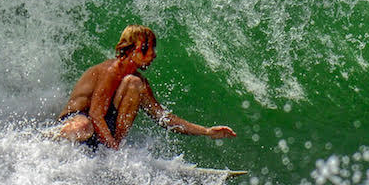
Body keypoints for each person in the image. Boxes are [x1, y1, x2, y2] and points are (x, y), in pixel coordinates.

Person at [57, 24, 237, 150]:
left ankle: (112, 150)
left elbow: (163, 117)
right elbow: (95, 116)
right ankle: (46, 141)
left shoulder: (137, 81)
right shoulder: (110, 71)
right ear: (132, 49)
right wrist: (115, 154)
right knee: (83, 126)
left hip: (102, 134)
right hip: (78, 123)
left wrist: (206, 131)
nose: (152, 54)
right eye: (147, 48)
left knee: (134, 84)